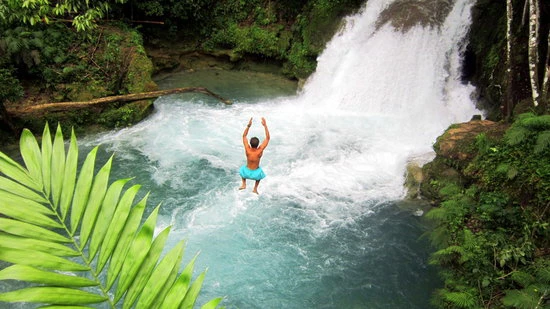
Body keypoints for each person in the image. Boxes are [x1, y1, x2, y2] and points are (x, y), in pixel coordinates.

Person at [239, 117, 270, 194]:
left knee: (242, 169)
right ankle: (255, 188)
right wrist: (265, 126)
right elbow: (267, 138)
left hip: (246, 173)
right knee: (260, 173)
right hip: (256, 174)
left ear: (250, 144)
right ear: (258, 144)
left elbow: (244, 136)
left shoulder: (247, 149)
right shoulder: (260, 151)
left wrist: (248, 126)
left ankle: (243, 183)